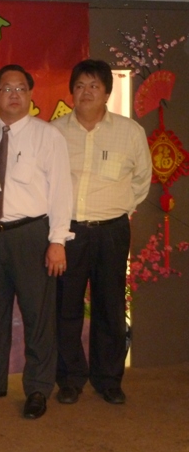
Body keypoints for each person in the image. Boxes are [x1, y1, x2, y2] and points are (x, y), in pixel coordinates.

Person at [52, 59, 152, 405]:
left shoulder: (130, 132)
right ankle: (69, 378)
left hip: (112, 231)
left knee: (110, 305)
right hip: (68, 232)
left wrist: (117, 208)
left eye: (94, 85)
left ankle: (108, 379)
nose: (86, 92)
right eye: (80, 85)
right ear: (71, 92)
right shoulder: (55, 132)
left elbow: (142, 180)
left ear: (107, 92)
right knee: (65, 308)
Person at [0, 65, 73, 419]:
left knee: (38, 315)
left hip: (32, 235)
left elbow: (61, 190)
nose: (14, 95)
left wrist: (57, 241)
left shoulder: (48, 136)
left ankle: (37, 388)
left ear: (31, 94)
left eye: (21, 88)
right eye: (7, 88)